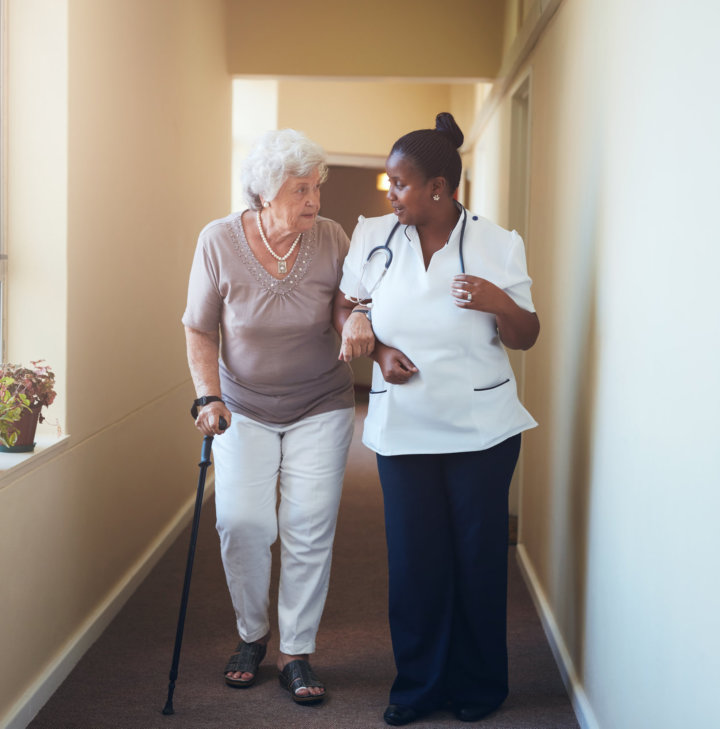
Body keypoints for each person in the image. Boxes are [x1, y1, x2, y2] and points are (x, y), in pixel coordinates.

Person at [334, 112, 539, 725]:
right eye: (390, 183)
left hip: (482, 428)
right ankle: (419, 686)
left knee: (477, 559)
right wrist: (368, 336)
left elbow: (526, 334)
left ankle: (479, 685)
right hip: (403, 428)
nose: (390, 194)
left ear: (440, 189)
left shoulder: (497, 242)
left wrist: (498, 301)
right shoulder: (372, 235)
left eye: (399, 184)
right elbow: (347, 304)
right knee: (416, 564)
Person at [182, 128, 354, 706]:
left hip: (320, 402)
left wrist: (356, 316)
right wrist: (208, 395)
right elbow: (200, 327)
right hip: (243, 405)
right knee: (242, 521)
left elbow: (348, 300)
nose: (314, 200)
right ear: (264, 192)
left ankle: (296, 651)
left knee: (309, 525)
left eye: (316, 187)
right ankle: (252, 636)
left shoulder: (332, 238)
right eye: (301, 189)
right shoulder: (218, 240)